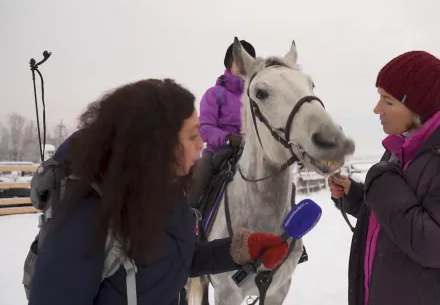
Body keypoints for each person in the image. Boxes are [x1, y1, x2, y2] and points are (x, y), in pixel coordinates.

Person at [26, 78, 290, 305]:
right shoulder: (85, 220)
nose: (200, 144)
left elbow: (179, 257)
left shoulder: (169, 192)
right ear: (156, 145)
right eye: (191, 135)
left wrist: (240, 250)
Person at [328, 51, 440, 305]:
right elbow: (398, 218)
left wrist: (380, 181)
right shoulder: (402, 148)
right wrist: (355, 195)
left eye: (388, 101)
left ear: (417, 106)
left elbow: (435, 243)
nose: (377, 109)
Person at [189, 40, 256, 206]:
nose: (243, 67)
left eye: (247, 63)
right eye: (238, 62)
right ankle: (189, 214)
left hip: (249, 152)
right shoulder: (214, 94)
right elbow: (204, 128)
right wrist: (228, 138)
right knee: (202, 169)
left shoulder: (255, 97)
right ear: (229, 65)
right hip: (218, 152)